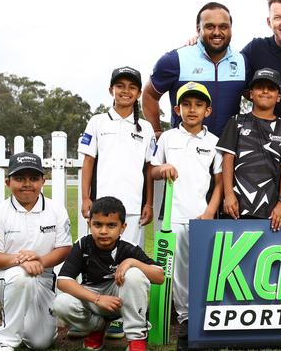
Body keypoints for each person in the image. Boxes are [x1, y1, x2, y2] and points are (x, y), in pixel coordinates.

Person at [78, 66, 155, 338]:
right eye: (120, 85)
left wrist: (149, 202)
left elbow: (148, 168)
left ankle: (125, 319)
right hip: (102, 209)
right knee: (99, 265)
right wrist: (86, 197)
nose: (125, 91)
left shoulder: (145, 128)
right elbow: (88, 160)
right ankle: (99, 318)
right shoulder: (98, 122)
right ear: (111, 89)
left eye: (132, 87)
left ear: (137, 93)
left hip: (133, 209)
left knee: (128, 264)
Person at [150, 81, 223, 340]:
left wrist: (211, 211)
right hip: (172, 215)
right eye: (187, 105)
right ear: (177, 109)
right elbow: (151, 170)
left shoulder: (214, 141)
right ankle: (185, 316)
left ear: (208, 111)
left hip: (202, 215)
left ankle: (204, 313)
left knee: (202, 266)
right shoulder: (168, 138)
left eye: (199, 105)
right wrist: (163, 169)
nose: (192, 110)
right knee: (177, 268)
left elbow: (220, 181)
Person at [0, 152, 72, 351]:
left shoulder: (56, 210)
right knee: (22, 277)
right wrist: (21, 262)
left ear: (43, 181)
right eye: (19, 178)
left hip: (43, 278)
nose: (27, 184)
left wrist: (40, 261)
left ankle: (22, 321)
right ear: (8, 182)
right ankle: (6, 340)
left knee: (40, 343)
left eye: (33, 178)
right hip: (5, 277)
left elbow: (65, 248)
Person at [53, 196, 164, 351]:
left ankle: (136, 338)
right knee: (61, 304)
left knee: (134, 275)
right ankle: (97, 327)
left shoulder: (128, 248)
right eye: (97, 224)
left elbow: (159, 276)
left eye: (111, 225)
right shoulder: (83, 244)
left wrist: (132, 262)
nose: (104, 231)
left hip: (120, 298)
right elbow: (63, 281)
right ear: (89, 224)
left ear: (122, 227)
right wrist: (98, 299)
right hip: (94, 298)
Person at [143, 2, 247, 137]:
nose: (217, 32)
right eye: (210, 26)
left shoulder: (243, 61)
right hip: (183, 151)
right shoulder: (175, 59)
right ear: (198, 29)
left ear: (231, 29)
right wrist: (156, 131)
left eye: (223, 27)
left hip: (228, 152)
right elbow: (149, 95)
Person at [216, 68, 281, 231]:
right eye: (260, 86)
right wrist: (229, 195)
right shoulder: (236, 121)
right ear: (251, 93)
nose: (265, 91)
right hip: (236, 207)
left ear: (278, 97)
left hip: (271, 210)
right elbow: (227, 160)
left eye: (271, 88)